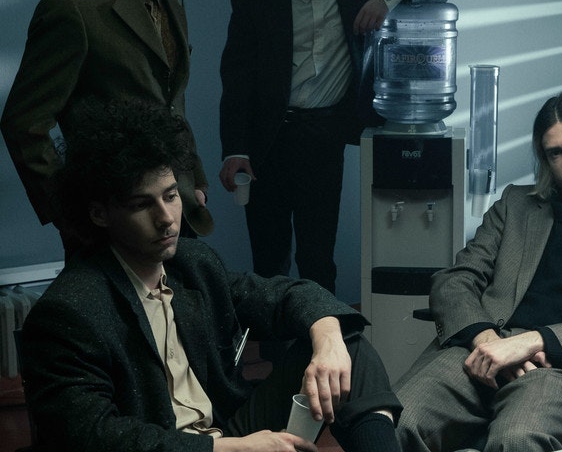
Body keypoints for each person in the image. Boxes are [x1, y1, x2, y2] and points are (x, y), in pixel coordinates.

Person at [20, 97, 404, 452]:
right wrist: (233, 449)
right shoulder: (69, 311)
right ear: (99, 213)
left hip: (229, 430)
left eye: (170, 196)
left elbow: (284, 296)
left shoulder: (192, 264)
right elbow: (93, 435)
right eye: (141, 205)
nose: (166, 218)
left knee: (346, 345)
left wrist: (328, 340)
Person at [219, 0, 450, 293]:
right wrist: (234, 149)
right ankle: (273, 335)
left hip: (324, 137)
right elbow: (236, 79)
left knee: (318, 256)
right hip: (266, 140)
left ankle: (322, 333)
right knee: (269, 259)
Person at [394, 91, 562, 452]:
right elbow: (455, 280)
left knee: (516, 438)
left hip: (559, 368)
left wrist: (534, 341)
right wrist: (488, 341)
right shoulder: (515, 206)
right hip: (482, 351)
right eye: (555, 152)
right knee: (397, 420)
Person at [1, 0, 213, 252]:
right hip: (110, 223)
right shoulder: (71, 5)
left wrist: (194, 179)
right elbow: (23, 122)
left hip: (177, 208)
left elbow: (171, 102)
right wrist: (71, 213)